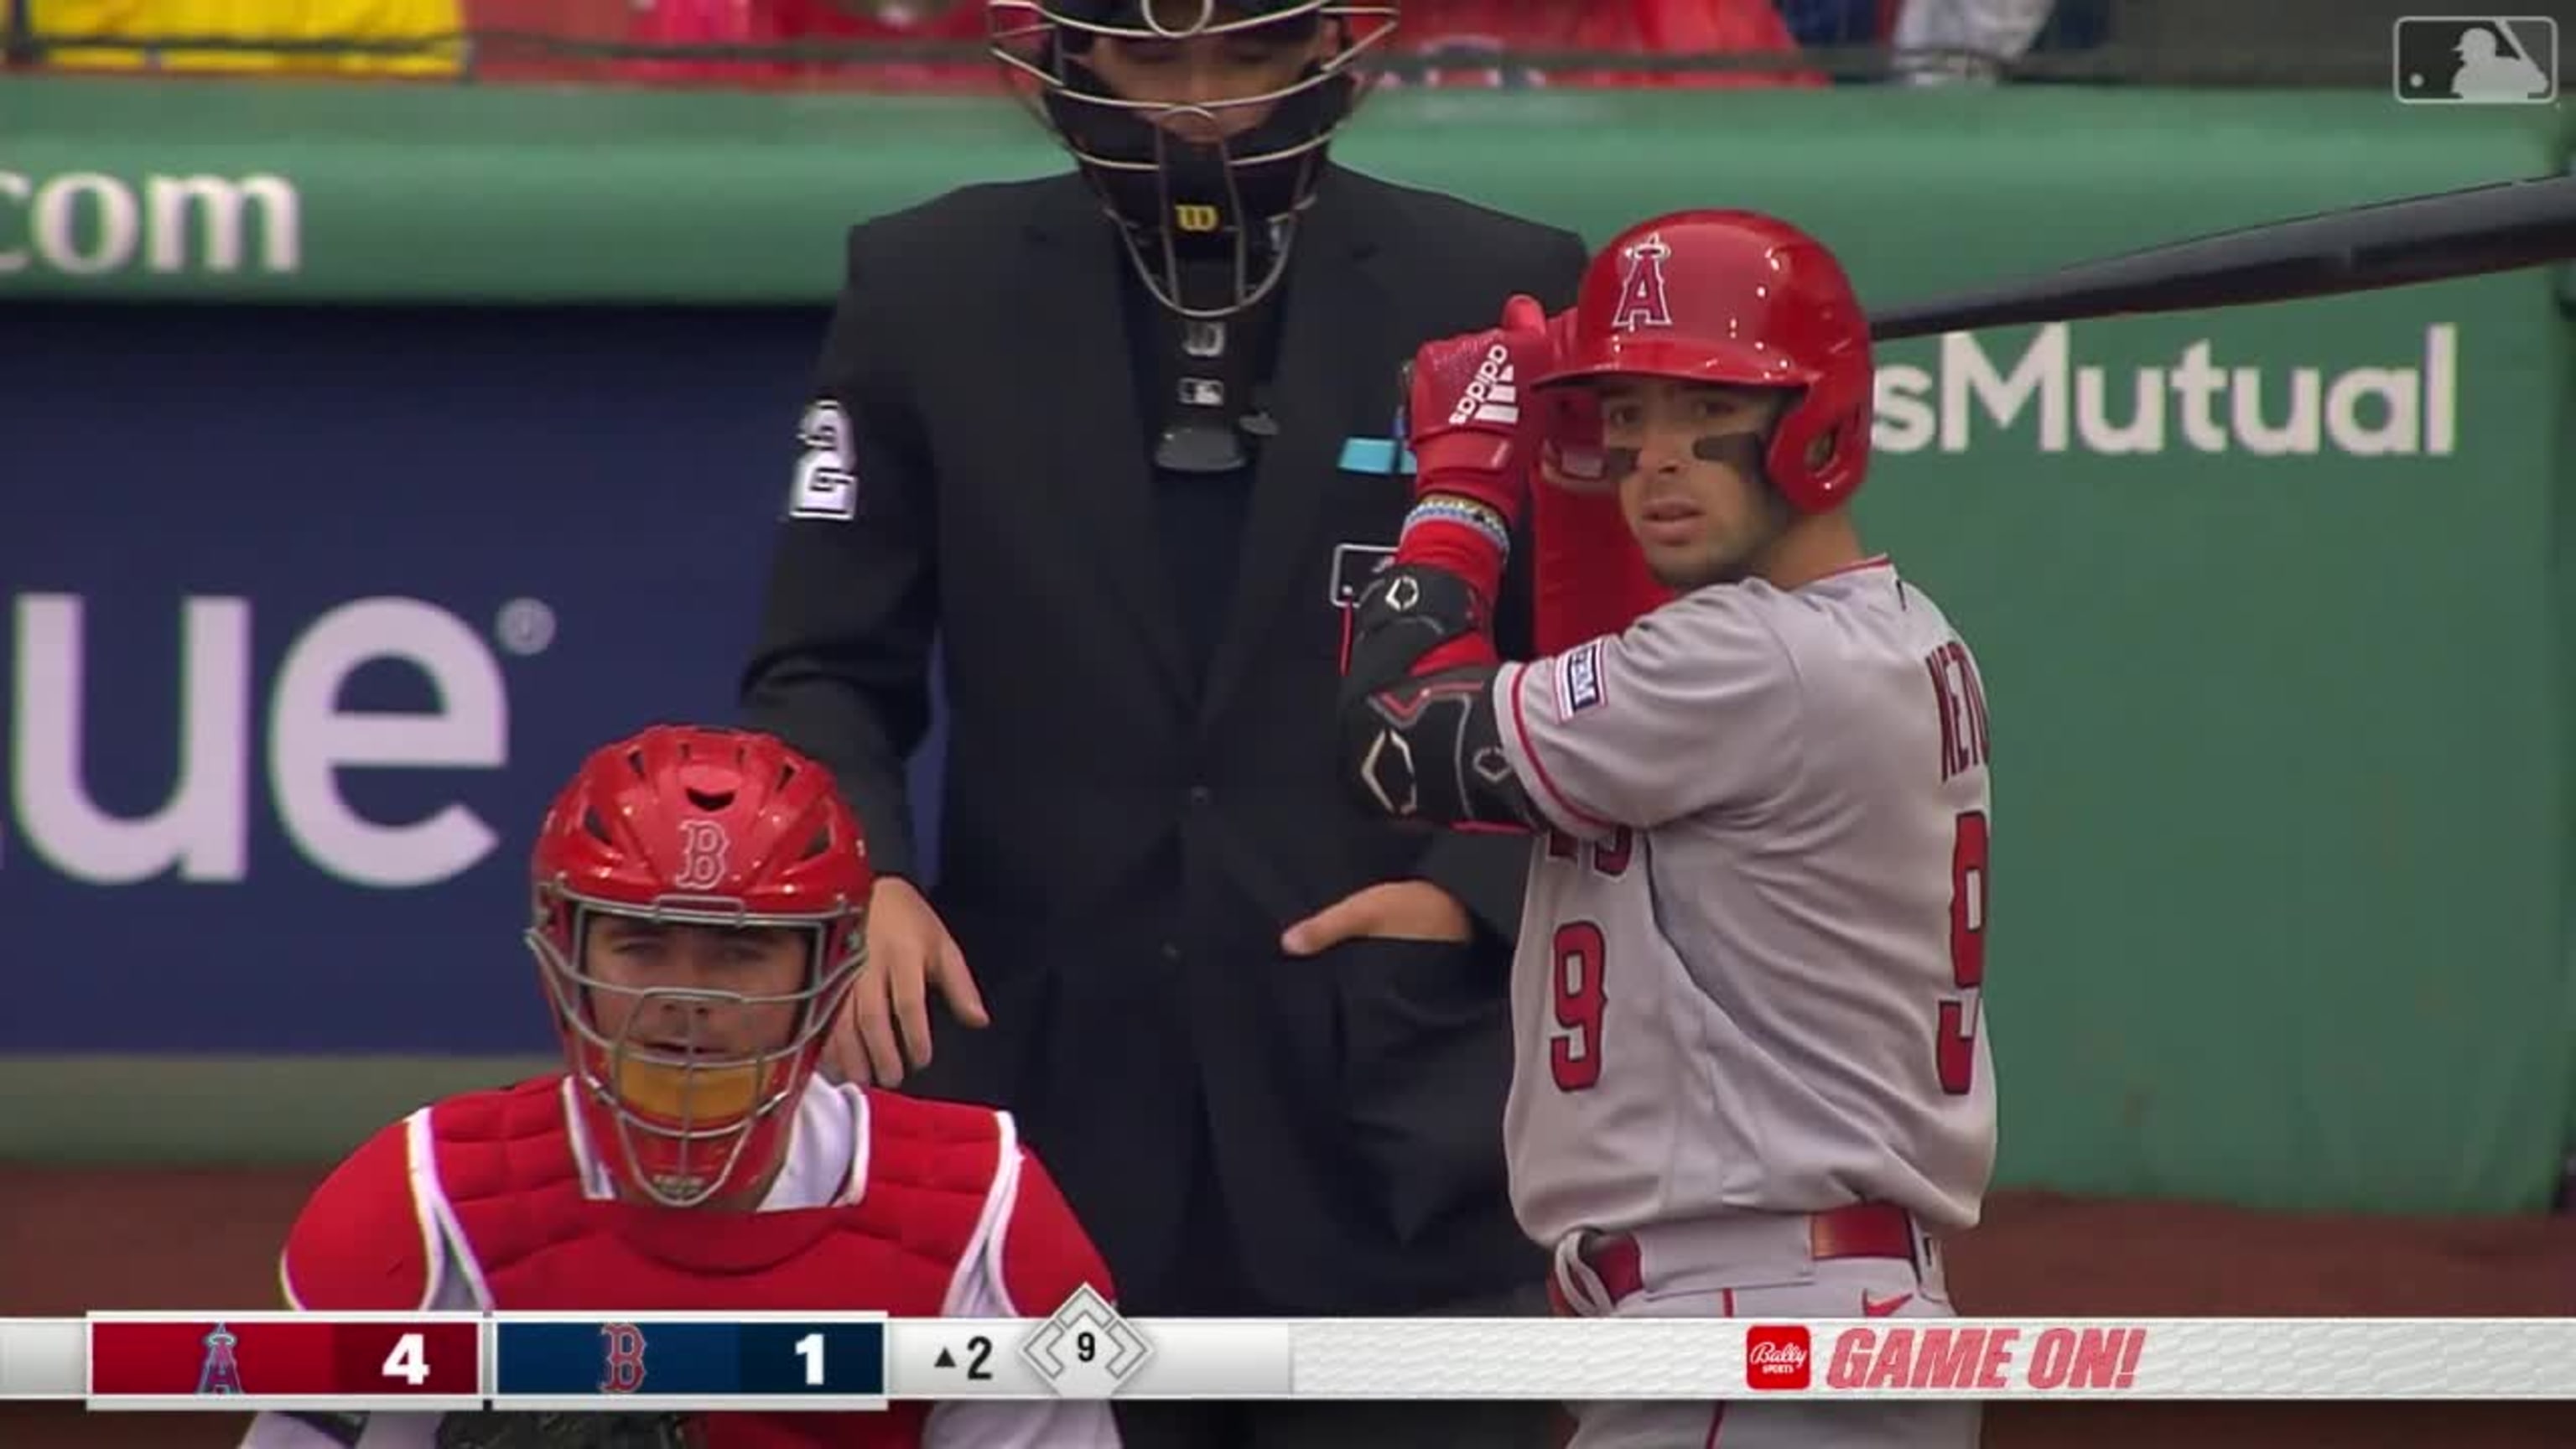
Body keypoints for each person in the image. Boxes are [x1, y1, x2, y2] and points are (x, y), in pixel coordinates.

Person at [736, 2, 1585, 1445]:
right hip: (1049, 1103)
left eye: (1247, 57)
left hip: (1393, 1116)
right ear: (1068, 56)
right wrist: (860, 866)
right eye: (1153, 57)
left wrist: (1469, 892)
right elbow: (818, 664)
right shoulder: (923, 286)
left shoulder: (1496, 282)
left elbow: (1595, 668)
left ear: (1333, 50)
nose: (1202, 107)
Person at [1335, 209, 1997, 1448]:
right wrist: (1567, 483)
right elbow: (1611, 672)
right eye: (1628, 418)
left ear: (1815, 425)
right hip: (1803, 1313)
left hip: (1750, 1328)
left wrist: (1468, 484)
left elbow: (1395, 732)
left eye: (1707, 413)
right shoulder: (1885, 635)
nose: (1659, 458)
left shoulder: (1756, 665)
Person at [239, 724, 1119, 1449]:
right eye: (642, 946)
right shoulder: (425, 1210)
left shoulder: (982, 1222)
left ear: (828, 966)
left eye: (739, 952)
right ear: (567, 957)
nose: (685, 1001)